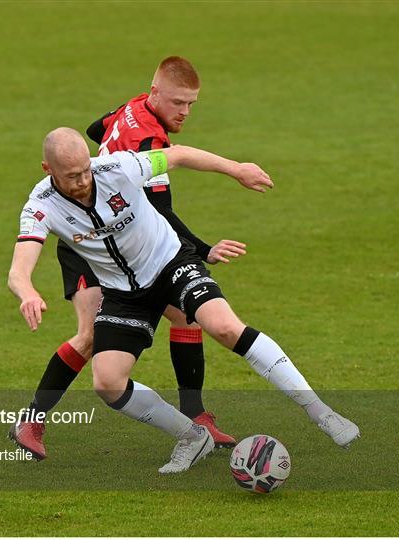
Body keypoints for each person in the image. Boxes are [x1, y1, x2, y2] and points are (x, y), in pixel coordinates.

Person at [8, 127, 360, 474]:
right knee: (107, 383)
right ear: (47, 170)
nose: (84, 180)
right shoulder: (40, 206)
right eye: (72, 176)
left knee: (223, 326)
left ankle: (321, 412)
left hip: (171, 263)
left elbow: (177, 155)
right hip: (123, 294)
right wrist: (28, 292)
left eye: (86, 169)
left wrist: (236, 169)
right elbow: (18, 270)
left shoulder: (118, 167)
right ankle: (192, 437)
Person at [12, 57, 242, 459]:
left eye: (191, 104)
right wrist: (204, 250)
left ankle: (195, 416)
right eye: (178, 103)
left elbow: (96, 129)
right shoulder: (148, 143)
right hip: (86, 245)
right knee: (89, 337)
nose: (185, 112)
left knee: (186, 315)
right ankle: (32, 419)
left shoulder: (134, 108)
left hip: (119, 237)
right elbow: (162, 214)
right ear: (156, 93)